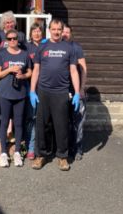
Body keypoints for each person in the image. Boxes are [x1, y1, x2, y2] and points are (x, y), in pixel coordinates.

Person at [29, 18, 80, 171]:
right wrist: (32, 91)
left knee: (61, 126)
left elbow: (73, 71)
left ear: (62, 30)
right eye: (54, 29)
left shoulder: (69, 48)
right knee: (41, 125)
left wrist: (77, 92)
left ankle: (62, 157)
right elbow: (36, 70)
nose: (57, 32)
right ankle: (40, 155)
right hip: (44, 92)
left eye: (59, 29)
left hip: (61, 92)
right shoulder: (42, 47)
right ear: (49, 30)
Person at [0, 29, 32, 168]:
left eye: (14, 38)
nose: (12, 41)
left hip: (20, 93)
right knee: (4, 122)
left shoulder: (24, 54)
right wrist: (9, 70)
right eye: (9, 39)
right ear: (6, 40)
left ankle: (17, 152)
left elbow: (30, 71)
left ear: (18, 39)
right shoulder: (1, 54)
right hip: (5, 93)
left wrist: (23, 76)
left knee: (19, 123)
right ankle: (4, 153)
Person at [62, 24, 88, 161]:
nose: (65, 34)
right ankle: (66, 149)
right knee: (65, 122)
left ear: (71, 34)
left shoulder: (76, 48)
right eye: (63, 32)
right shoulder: (58, 47)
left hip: (76, 91)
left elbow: (83, 68)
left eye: (67, 32)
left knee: (78, 121)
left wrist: (81, 89)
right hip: (61, 91)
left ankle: (78, 148)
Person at [24, 22, 44, 160]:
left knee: (43, 119)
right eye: (34, 31)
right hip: (29, 87)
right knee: (31, 118)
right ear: (30, 34)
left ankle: (42, 147)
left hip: (44, 87)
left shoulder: (46, 46)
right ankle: (30, 147)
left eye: (39, 31)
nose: (36, 33)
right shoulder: (26, 47)